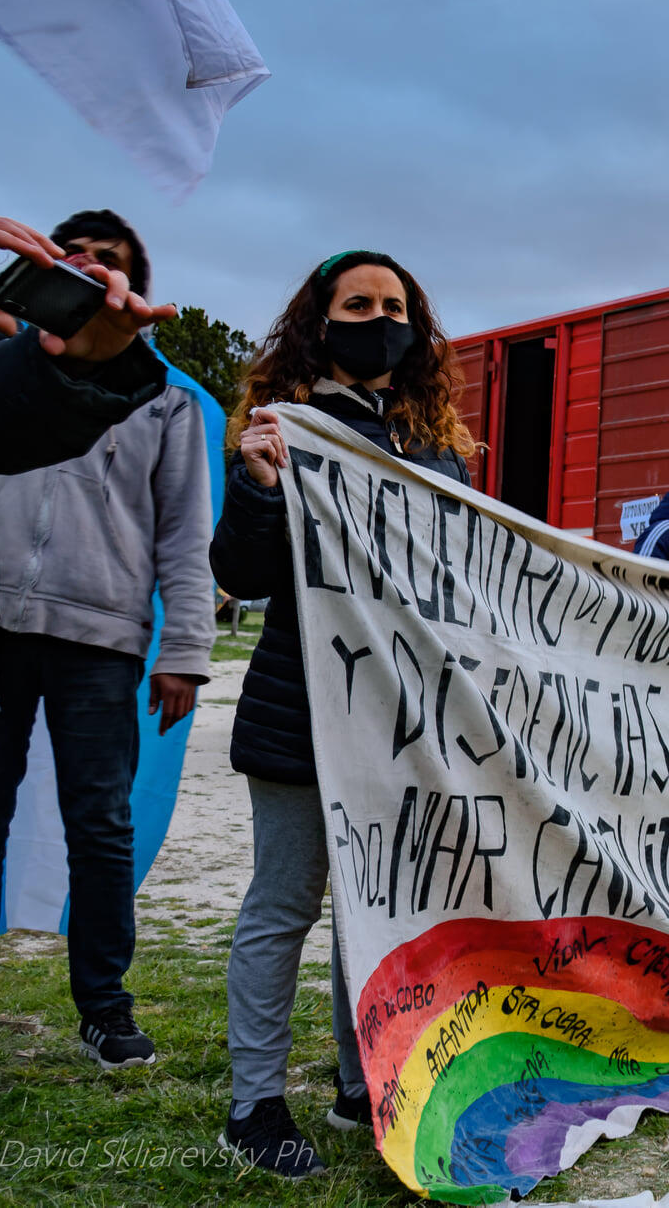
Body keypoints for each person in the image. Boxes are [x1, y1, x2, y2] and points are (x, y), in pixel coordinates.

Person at [210, 251, 476, 1177]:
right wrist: (254, 487)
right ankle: (253, 1106)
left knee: (373, 908)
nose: (378, 317)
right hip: (300, 710)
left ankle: (361, 1082)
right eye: (358, 303)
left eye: (394, 304)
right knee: (284, 905)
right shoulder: (285, 431)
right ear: (321, 322)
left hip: (397, 720)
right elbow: (238, 575)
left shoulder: (438, 448)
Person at [0, 211, 214, 1071]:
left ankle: (105, 1009)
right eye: (71, 256)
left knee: (100, 828)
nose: (87, 267)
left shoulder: (166, 397)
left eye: (108, 261)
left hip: (101, 642)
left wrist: (184, 649)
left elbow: (184, 535)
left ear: (133, 283)